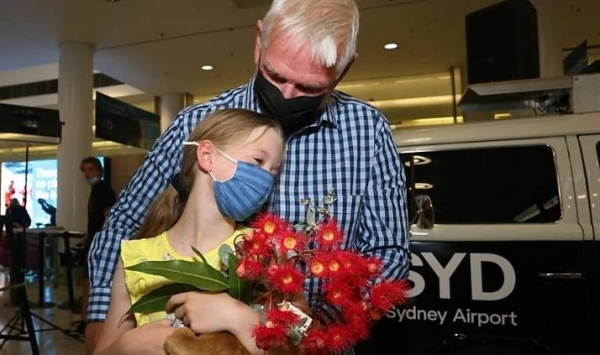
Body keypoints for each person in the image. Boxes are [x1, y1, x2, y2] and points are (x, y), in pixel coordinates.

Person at [87, 0, 410, 352]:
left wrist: (309, 333)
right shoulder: (196, 124)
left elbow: (387, 255)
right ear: (259, 42)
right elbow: (124, 223)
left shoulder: (366, 131)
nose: (286, 94)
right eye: (276, 75)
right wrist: (105, 324)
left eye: (309, 87)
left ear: (344, 70)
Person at [93, 109, 285, 354]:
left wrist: (236, 316)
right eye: (258, 161)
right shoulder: (136, 258)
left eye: (274, 171)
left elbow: (288, 347)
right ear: (207, 155)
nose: (265, 179)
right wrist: (126, 346)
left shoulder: (265, 251)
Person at [75, 157, 116, 337]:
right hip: (93, 242)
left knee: (90, 284)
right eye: (84, 170)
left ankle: (88, 323)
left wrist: (100, 242)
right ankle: (85, 322)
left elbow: (108, 217)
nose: (87, 174)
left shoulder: (103, 189)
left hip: (99, 245)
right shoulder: (95, 190)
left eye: (91, 169)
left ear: (99, 170)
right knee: (87, 283)